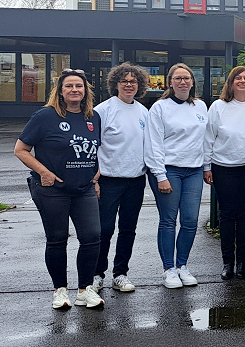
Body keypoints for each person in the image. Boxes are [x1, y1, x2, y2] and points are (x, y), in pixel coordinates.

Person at [14, 68, 104, 309]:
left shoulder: (93, 117)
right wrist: (44, 172)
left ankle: (84, 290)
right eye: (69, 86)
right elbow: (21, 149)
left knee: (92, 237)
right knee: (57, 239)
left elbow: (94, 148)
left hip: (84, 188)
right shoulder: (45, 116)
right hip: (52, 189)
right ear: (60, 91)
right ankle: (60, 290)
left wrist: (96, 174)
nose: (75, 90)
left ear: (86, 91)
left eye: (79, 86)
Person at [145, 63, 208, 288]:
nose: (183, 82)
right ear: (170, 82)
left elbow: (205, 141)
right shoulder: (160, 108)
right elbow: (153, 144)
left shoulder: (201, 106)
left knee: (190, 221)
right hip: (168, 170)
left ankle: (182, 266)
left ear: (193, 82)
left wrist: (207, 166)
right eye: (178, 78)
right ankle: (169, 269)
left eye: (187, 78)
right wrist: (160, 175)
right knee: (169, 220)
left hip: (194, 170)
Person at [91, 63, 150, 293]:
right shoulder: (103, 110)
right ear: (115, 84)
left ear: (140, 85)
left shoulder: (143, 111)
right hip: (108, 180)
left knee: (128, 229)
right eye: (124, 81)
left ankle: (120, 273)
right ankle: (97, 274)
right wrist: (94, 179)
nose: (129, 85)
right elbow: (93, 145)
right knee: (104, 229)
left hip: (135, 180)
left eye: (133, 81)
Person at [203, 66, 245, 280]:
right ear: (231, 81)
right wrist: (206, 167)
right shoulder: (218, 106)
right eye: (239, 77)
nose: (243, 81)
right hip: (223, 168)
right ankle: (227, 263)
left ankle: (242, 263)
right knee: (227, 216)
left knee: (244, 215)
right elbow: (209, 137)